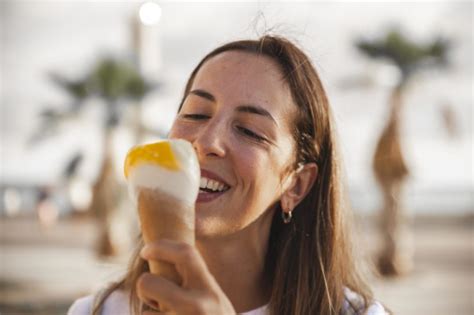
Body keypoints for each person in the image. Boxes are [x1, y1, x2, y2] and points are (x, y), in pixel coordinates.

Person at [68, 35, 388, 315]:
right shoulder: (96, 311)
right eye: (195, 114)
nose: (206, 142)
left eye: (249, 131)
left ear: (296, 184)